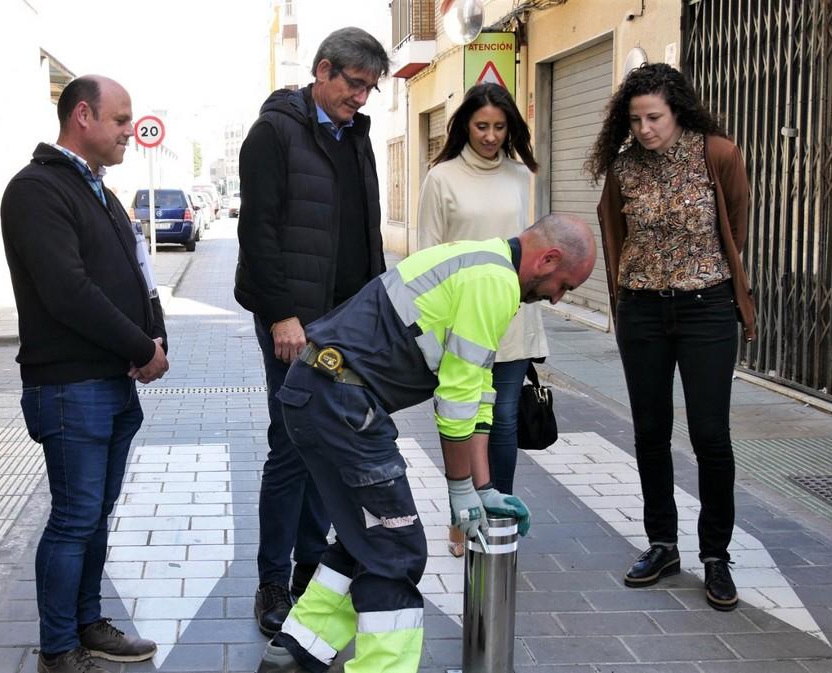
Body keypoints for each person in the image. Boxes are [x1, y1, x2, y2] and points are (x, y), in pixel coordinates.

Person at [255, 214, 597, 673]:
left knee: (368, 536)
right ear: (548, 259)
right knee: (396, 548)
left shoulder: (484, 264)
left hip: (321, 395)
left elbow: (477, 392)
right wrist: (459, 489)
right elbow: (455, 403)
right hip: (340, 403)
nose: (556, 298)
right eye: (564, 286)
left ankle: (295, 652)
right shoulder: (492, 282)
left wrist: (483, 488)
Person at [1, 75, 169, 673]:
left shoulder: (100, 191)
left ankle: (88, 623)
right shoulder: (36, 190)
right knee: (74, 519)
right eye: (120, 120)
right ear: (82, 116)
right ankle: (57, 648)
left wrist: (156, 339)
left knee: (95, 515)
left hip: (111, 382)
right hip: (70, 386)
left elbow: (139, 273)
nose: (129, 132)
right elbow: (67, 290)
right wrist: (140, 345)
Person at [234, 26, 390, 637]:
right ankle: (273, 580)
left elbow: (367, 232)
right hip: (295, 324)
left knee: (330, 443)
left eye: (370, 88)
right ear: (323, 70)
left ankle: (309, 573)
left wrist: (376, 311)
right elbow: (258, 231)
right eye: (355, 84)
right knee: (291, 445)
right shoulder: (274, 132)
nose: (362, 97)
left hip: (346, 323)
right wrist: (280, 315)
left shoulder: (357, 135)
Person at [586, 62, 755, 612]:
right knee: (650, 432)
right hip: (642, 311)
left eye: (654, 118)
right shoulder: (623, 168)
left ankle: (716, 556)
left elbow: (735, 224)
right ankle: (662, 544)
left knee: (710, 435)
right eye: (635, 120)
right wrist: (625, 301)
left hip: (708, 309)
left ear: (677, 111)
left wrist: (701, 274)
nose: (644, 129)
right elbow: (615, 234)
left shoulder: (718, 154)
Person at [417, 83, 548, 557]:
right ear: (465, 127)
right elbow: (427, 254)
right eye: (481, 126)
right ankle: (461, 514)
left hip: (512, 317)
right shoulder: (441, 178)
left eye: (499, 127)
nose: (491, 136)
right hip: (461, 321)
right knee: (463, 416)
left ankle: (496, 515)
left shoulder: (519, 175)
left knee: (505, 419)